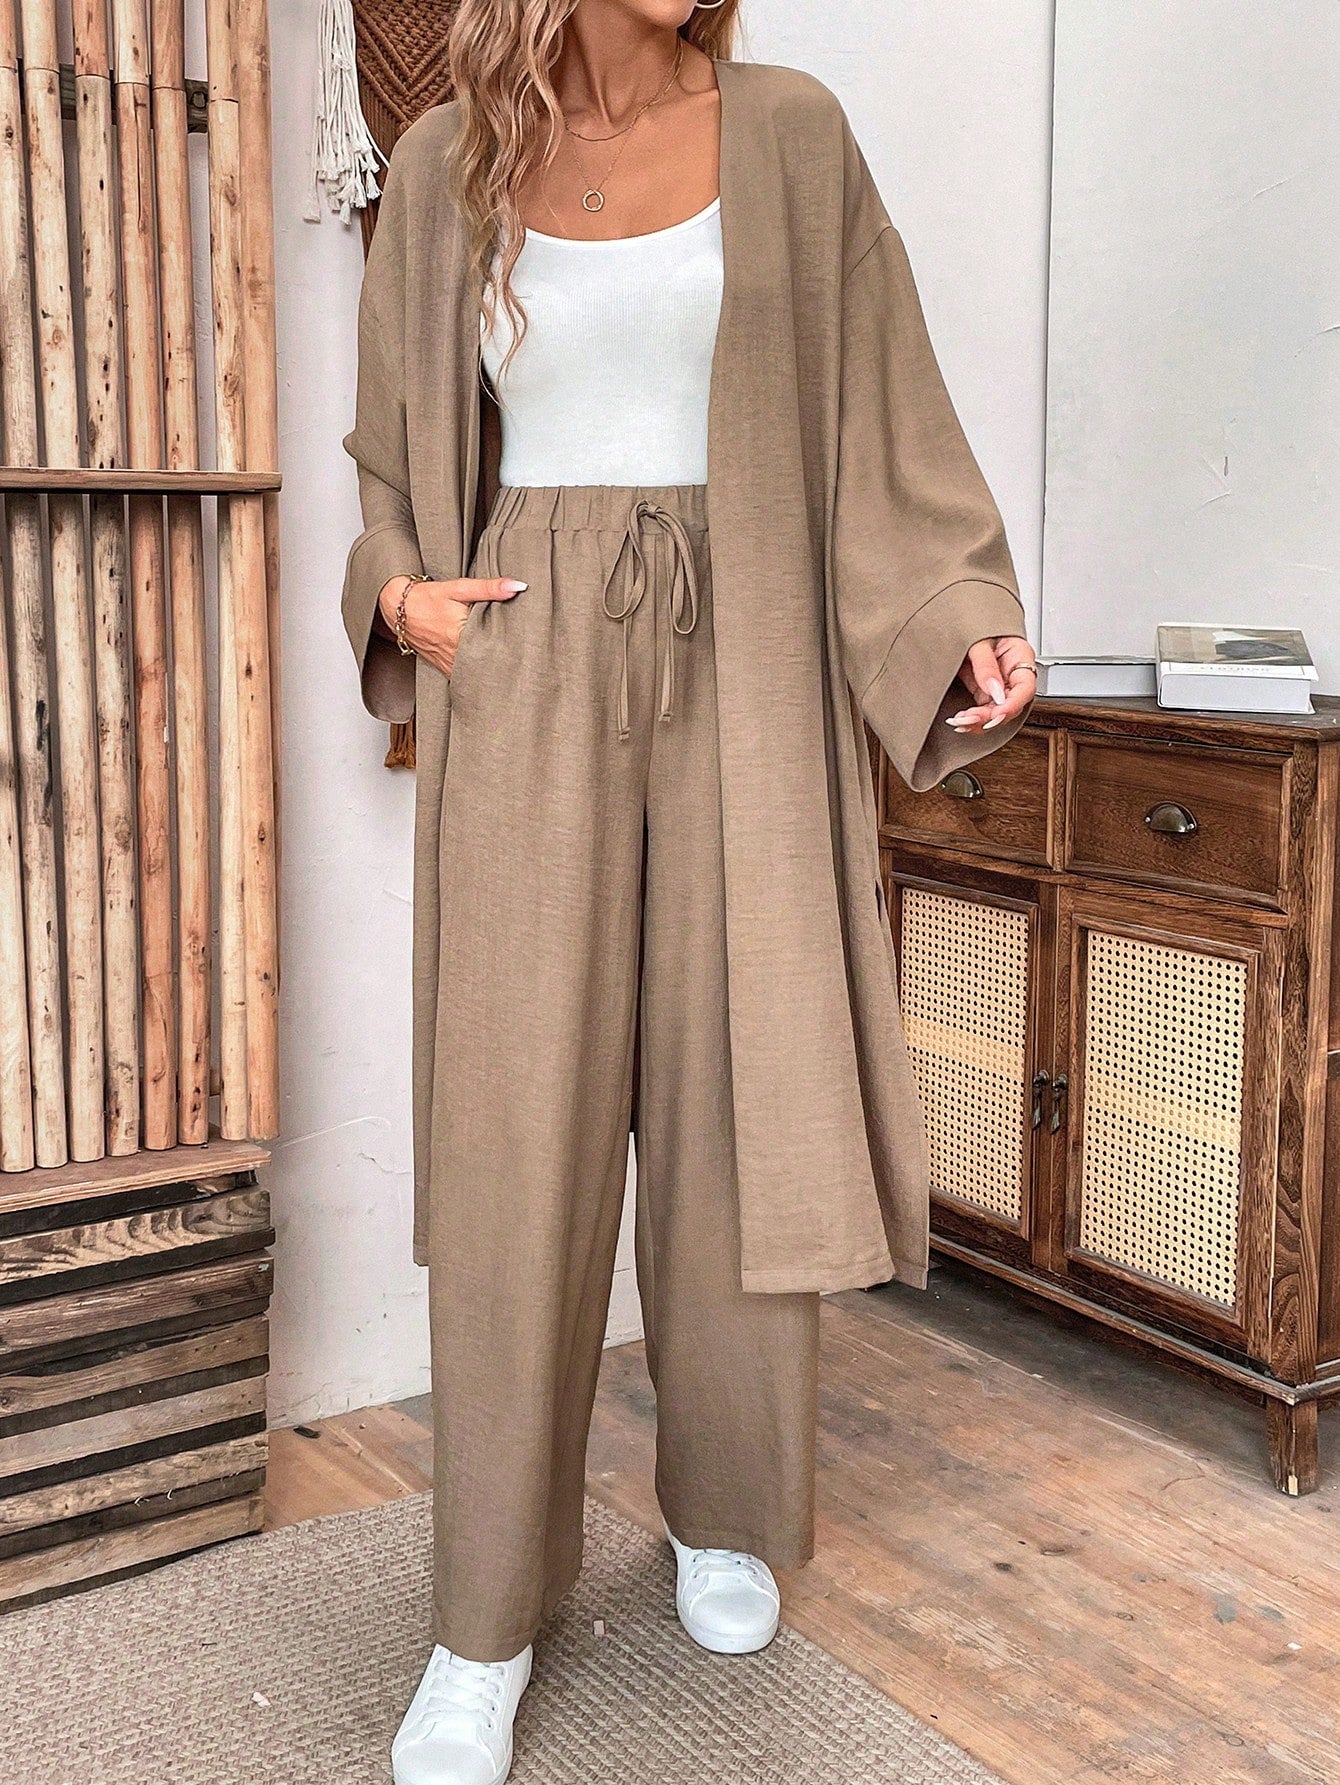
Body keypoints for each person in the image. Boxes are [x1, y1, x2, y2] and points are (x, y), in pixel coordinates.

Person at [339, 3, 1038, 1779]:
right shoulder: (445, 160)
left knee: (740, 1095)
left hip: (751, 643)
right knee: (517, 1136)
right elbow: (389, 459)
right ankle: (483, 1616)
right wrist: (402, 596)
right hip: (528, 657)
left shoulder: (790, 131)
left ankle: (724, 1507)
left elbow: (886, 403)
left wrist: (962, 611)